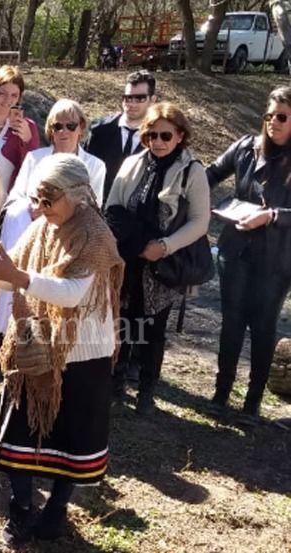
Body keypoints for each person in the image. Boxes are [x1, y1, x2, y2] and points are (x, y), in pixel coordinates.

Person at [0, 154, 123, 546]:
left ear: (78, 196)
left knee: (73, 439)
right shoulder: (40, 229)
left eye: (48, 200)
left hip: (83, 354)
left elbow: (70, 293)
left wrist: (15, 276)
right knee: (19, 431)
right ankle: (19, 509)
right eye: (36, 199)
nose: (39, 208)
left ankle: (56, 511)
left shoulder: (95, 236)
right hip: (34, 343)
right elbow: (15, 276)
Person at [105, 103, 210, 414]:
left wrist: (164, 245)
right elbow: (113, 209)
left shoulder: (193, 171)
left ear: (180, 135)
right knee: (123, 323)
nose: (158, 141)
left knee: (153, 330)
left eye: (166, 135)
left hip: (164, 263)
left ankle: (147, 393)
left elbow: (200, 222)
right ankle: (116, 383)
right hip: (130, 257)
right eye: (151, 135)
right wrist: (138, 244)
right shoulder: (132, 164)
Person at [206, 86, 291, 423]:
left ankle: (252, 403)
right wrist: (194, 199)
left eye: (282, 117)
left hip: (276, 261)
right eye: (269, 115)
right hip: (235, 251)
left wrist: (271, 216)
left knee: (263, 327)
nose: (274, 122)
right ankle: (221, 393)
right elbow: (211, 173)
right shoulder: (246, 146)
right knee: (231, 324)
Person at [0, 99, 105, 345]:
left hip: (71, 239)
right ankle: (8, 327)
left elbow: (92, 206)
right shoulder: (35, 158)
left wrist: (51, 212)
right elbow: (16, 197)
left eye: (70, 125)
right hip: (31, 234)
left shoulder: (96, 166)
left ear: (81, 128)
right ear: (49, 130)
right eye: (57, 126)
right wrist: (32, 208)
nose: (63, 131)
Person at [87, 70, 157, 204]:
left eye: (140, 98)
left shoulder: (160, 137)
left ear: (152, 100)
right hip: (97, 209)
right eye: (128, 97)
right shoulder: (99, 130)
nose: (132, 103)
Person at [0, 65, 39, 193]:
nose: (8, 100)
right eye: (2, 93)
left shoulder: (27, 127)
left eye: (14, 95)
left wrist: (27, 142)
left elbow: (32, 168)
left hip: (6, 204)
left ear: (19, 98)